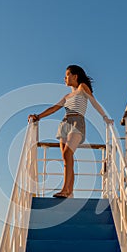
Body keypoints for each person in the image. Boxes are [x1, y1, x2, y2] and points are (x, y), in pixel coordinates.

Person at [28, 64, 113, 198]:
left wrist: (105, 117)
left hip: (77, 122)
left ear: (75, 76)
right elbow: (54, 108)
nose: (64, 78)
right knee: (66, 158)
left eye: (67, 75)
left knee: (68, 153)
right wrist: (38, 116)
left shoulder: (82, 88)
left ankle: (65, 190)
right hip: (64, 124)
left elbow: (94, 102)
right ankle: (69, 191)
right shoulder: (67, 95)